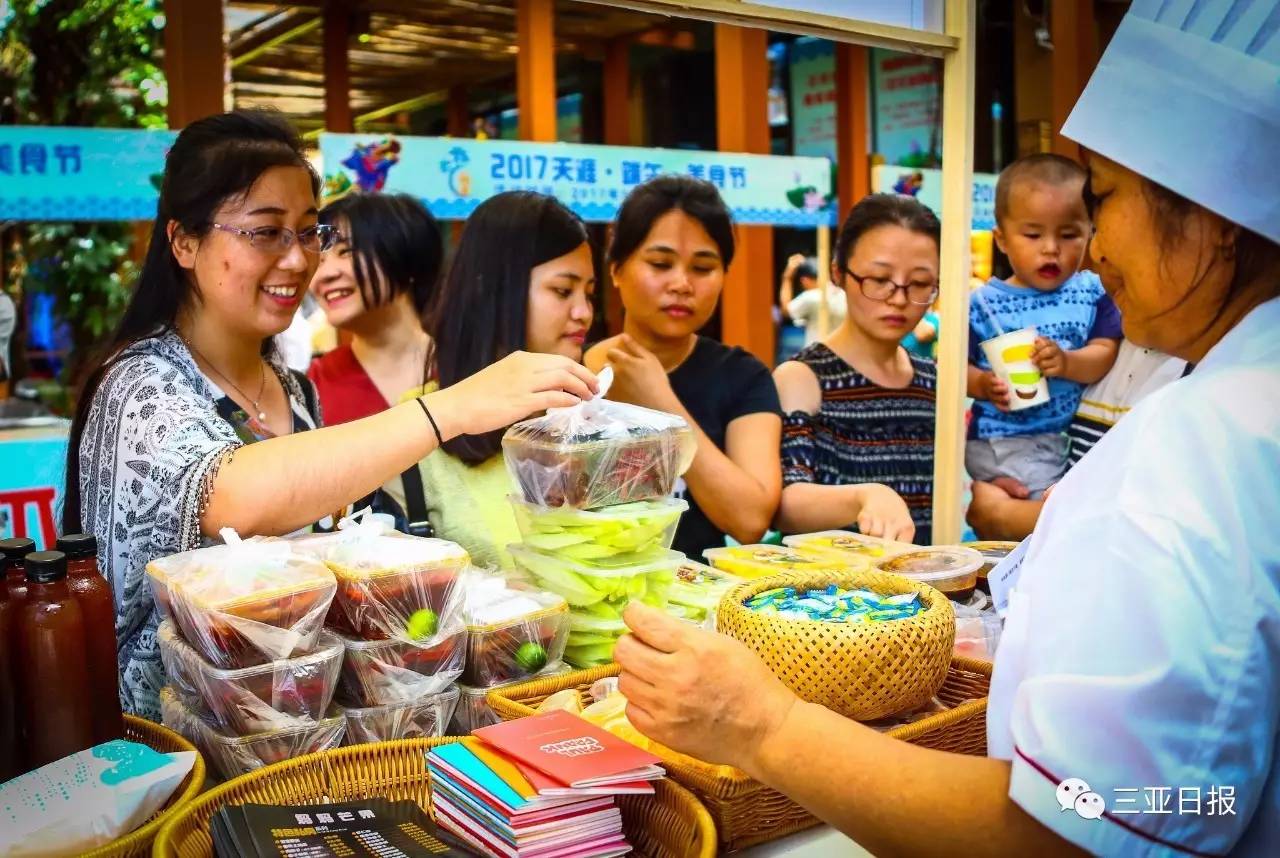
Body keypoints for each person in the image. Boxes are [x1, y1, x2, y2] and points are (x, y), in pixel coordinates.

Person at [614, 4, 1280, 854]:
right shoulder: (1236, 411)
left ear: (1212, 212)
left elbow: (1074, 827)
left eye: (1102, 203)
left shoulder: (1204, 441)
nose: (1092, 249)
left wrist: (762, 726)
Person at [64, 111, 597, 719]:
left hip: (283, 729)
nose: (297, 260)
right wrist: (452, 407)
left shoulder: (293, 390)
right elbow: (233, 491)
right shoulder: (141, 382)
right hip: (162, 743)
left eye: (309, 231)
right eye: (265, 232)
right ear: (184, 241)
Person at [383, 191, 596, 569]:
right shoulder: (420, 428)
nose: (583, 312)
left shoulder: (592, 418)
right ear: (497, 290)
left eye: (589, 294)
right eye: (563, 290)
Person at [583, 176, 781, 558]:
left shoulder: (744, 377)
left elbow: (751, 520)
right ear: (616, 269)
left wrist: (660, 402)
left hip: (695, 606)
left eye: (703, 268)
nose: (681, 283)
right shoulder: (571, 370)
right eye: (660, 263)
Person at [773, 194, 941, 544]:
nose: (898, 298)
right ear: (839, 273)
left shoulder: (934, 380)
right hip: (832, 593)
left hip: (927, 588)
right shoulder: (803, 377)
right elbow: (786, 505)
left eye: (921, 284)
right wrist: (865, 496)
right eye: (879, 279)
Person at [966, 154, 1123, 500]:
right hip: (1004, 439)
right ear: (1002, 239)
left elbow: (1105, 351)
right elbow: (952, 371)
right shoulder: (982, 304)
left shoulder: (1092, 292)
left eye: (1068, 235)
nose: (1051, 249)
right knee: (1052, 509)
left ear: (1090, 235)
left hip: (1061, 438)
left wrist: (1067, 363)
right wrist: (982, 384)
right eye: (1033, 235)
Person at [968, 338, 1187, 541]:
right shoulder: (1100, 349)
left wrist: (1003, 516)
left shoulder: (1199, 377)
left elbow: (1150, 523)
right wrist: (1014, 471)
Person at [308, 192, 442, 425]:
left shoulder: (468, 368)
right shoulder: (312, 388)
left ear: (404, 255)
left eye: (346, 252)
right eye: (318, 261)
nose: (325, 275)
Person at [778, 252, 846, 347]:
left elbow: (786, 311)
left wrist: (787, 278)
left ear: (804, 280)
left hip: (818, 354)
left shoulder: (812, 297)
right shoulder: (843, 294)